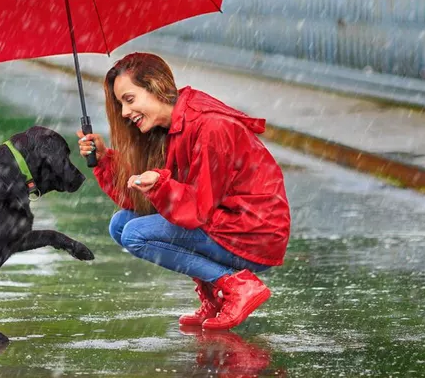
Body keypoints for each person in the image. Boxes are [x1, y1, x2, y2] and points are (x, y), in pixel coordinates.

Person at [77, 52, 290, 330]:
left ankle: (236, 286)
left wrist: (162, 185)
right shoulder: (171, 128)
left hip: (252, 232)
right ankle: (216, 295)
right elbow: (144, 204)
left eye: (129, 100)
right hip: (222, 221)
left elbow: (197, 208)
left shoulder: (210, 126)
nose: (125, 113)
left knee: (135, 234)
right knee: (120, 225)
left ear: (154, 86)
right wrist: (106, 159)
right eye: (121, 104)